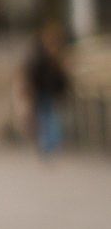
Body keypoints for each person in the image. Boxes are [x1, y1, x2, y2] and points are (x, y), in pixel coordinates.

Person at [22, 20, 70, 156]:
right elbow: (31, 72)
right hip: (42, 90)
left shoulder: (55, 54)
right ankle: (49, 143)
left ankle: (50, 143)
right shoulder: (40, 54)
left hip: (50, 90)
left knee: (49, 116)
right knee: (46, 116)